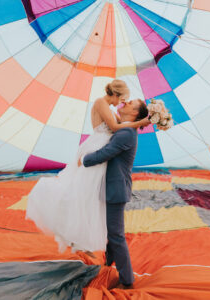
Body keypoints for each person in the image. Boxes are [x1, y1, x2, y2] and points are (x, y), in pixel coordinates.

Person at [26, 79, 150, 255]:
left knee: (91, 195)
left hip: (101, 149)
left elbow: (120, 126)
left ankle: (81, 239)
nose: (121, 102)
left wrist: (139, 122)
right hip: (95, 149)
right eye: (121, 98)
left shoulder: (111, 109)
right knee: (81, 191)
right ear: (115, 94)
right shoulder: (101, 102)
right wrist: (140, 123)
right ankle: (74, 234)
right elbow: (115, 127)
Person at [79, 99, 149, 288]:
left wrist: (84, 159)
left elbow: (105, 153)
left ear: (135, 112)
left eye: (131, 102)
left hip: (116, 190)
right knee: (112, 231)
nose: (125, 101)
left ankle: (127, 280)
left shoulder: (126, 133)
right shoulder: (124, 128)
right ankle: (109, 263)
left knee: (116, 235)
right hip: (113, 187)